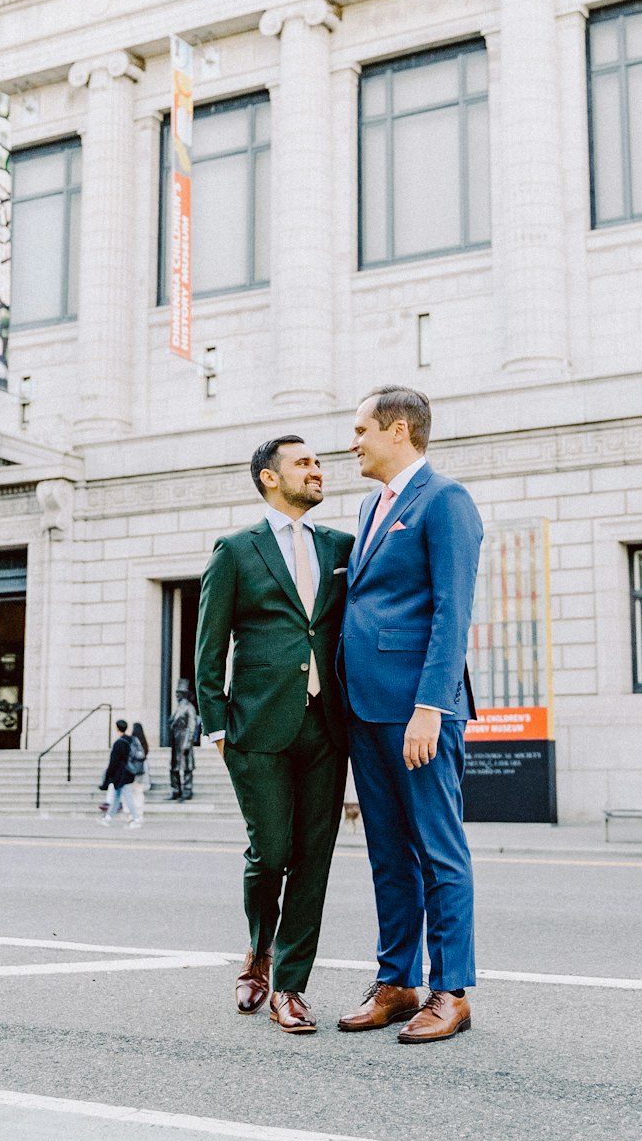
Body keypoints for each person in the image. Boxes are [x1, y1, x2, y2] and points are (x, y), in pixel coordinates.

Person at [337, 385, 482, 1045]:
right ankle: (396, 982)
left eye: (362, 429)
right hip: (365, 709)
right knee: (387, 853)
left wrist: (431, 704)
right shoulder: (371, 506)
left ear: (398, 430)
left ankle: (450, 991)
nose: (353, 441)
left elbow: (452, 611)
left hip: (419, 710)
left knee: (437, 851)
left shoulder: (445, 501)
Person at [196, 435, 353, 1035]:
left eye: (318, 463)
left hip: (328, 725)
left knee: (314, 859)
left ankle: (290, 984)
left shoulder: (341, 546)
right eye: (305, 463)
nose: (318, 470)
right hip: (256, 726)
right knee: (271, 852)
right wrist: (217, 729)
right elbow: (209, 647)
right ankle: (259, 951)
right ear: (269, 478)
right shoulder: (236, 550)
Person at [99, 722, 138, 828]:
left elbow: (113, 762)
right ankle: (107, 818)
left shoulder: (119, 743)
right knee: (116, 797)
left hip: (121, 774)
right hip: (128, 772)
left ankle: (136, 818)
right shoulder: (130, 740)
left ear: (117, 729)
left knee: (127, 797)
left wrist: (108, 776)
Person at [168, 680, 201, 801]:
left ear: (184, 694)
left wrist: (188, 742)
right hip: (176, 740)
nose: (176, 695)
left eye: (179, 693)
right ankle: (176, 790)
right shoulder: (178, 708)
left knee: (187, 766)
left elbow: (192, 726)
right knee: (174, 767)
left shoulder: (189, 707)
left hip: (184, 739)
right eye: (176, 693)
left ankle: (187, 790)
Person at [125, 722, 150, 826]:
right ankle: (139, 815)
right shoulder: (144, 742)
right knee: (139, 793)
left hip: (132, 771)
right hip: (142, 771)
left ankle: (132, 816)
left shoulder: (132, 741)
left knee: (131, 794)